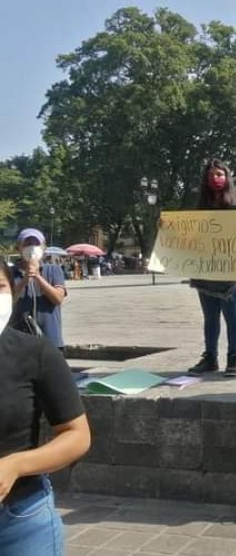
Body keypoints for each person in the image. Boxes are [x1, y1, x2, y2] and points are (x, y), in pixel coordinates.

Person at [0, 258, 91, 555]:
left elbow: (77, 435)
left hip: (18, 520)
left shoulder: (36, 352)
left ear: (11, 292)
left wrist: (16, 465)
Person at [187, 159, 236, 377]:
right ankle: (210, 358)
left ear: (227, 177)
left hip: (230, 268)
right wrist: (167, 228)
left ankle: (233, 357)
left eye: (220, 174)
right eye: (212, 175)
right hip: (206, 268)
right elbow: (189, 235)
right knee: (210, 316)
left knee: (231, 313)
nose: (216, 178)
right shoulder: (201, 207)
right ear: (206, 180)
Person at [11, 228, 67, 351]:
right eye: (27, 244)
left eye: (36, 244)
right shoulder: (9, 273)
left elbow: (58, 299)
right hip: (19, 341)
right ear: (18, 248)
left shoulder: (53, 270)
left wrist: (37, 276)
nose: (32, 247)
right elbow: (7, 301)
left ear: (43, 247)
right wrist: (24, 280)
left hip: (50, 339)